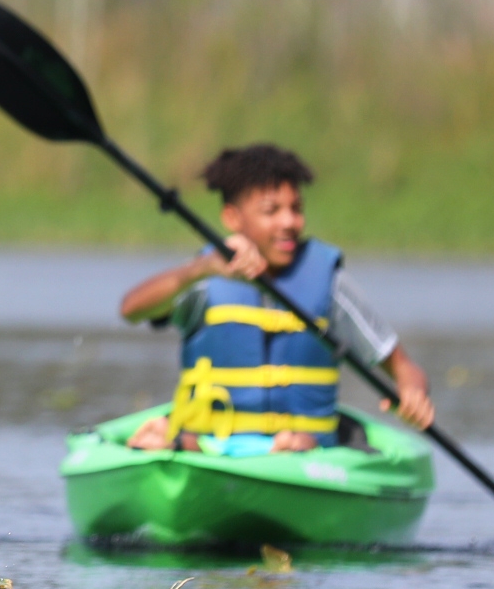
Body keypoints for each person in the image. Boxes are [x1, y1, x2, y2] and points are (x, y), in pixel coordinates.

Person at [114, 142, 438, 455]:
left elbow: (403, 367)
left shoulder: (331, 284)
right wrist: (201, 268)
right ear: (232, 218)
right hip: (212, 447)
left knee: (298, 445)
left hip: (304, 452)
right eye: (271, 211)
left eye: (296, 209)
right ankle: (171, 445)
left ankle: (278, 451)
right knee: (184, 440)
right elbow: (131, 309)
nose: (289, 222)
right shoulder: (207, 277)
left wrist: (413, 392)